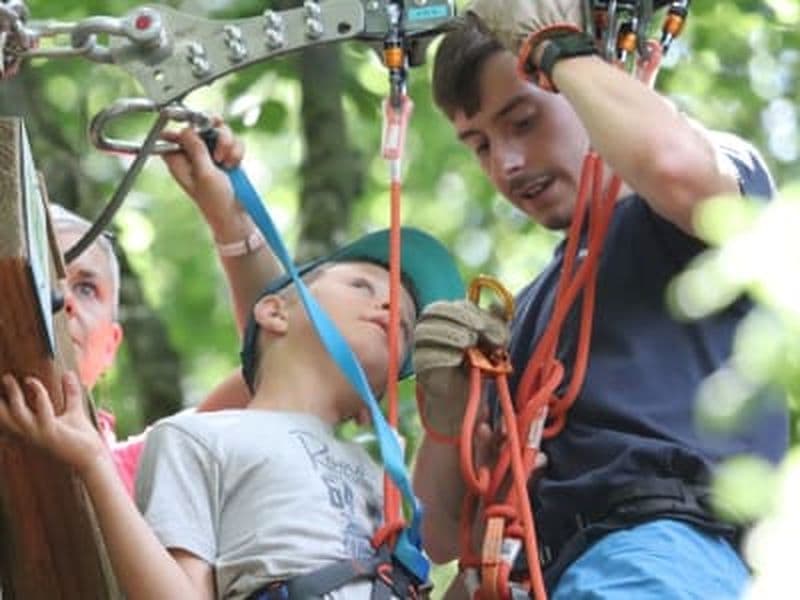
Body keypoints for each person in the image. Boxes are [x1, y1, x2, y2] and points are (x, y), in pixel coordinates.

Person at [411, 4, 788, 599]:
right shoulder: (528, 315)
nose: (505, 164)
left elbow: (672, 166)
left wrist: (558, 48)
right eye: (479, 145)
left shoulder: (690, 197)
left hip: (663, 558)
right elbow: (438, 538)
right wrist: (445, 413)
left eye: (523, 121)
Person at [0, 227, 464, 599]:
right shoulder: (195, 438)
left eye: (405, 324)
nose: (387, 306)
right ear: (273, 311)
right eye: (362, 284)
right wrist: (94, 465)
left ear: (373, 405)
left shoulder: (388, 479)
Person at [50, 122, 279, 495]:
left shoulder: (152, 470)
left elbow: (282, 370)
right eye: (40, 277)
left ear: (110, 345)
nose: (64, 301)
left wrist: (230, 218)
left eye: (87, 287)